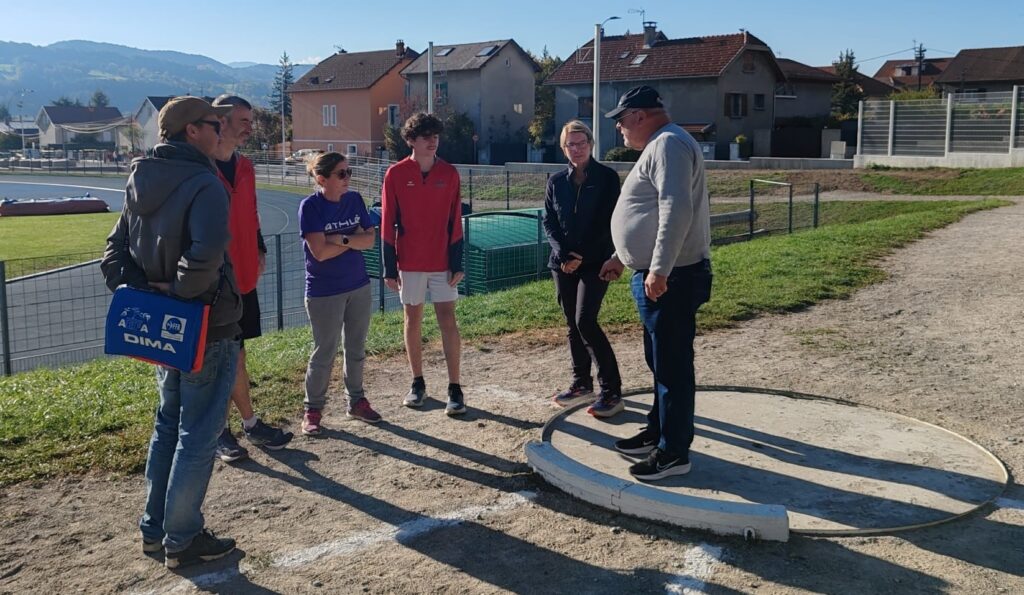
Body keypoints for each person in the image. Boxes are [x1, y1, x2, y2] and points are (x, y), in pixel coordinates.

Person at [100, 96, 241, 568]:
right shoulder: (205, 182)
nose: (221, 130)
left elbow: (113, 254)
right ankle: (181, 538)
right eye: (214, 124)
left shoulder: (140, 177)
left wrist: (147, 295)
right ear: (190, 131)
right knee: (198, 434)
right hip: (207, 323)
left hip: (163, 322)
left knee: (168, 426)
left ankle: (155, 531)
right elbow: (207, 253)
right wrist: (180, 293)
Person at [598, 86, 713, 481]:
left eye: (621, 120)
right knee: (661, 363)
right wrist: (622, 256)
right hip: (661, 274)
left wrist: (660, 269)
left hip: (673, 278)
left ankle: (673, 452)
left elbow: (675, 207)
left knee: (672, 368)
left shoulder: (668, 144)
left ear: (639, 115)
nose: (619, 128)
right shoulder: (664, 144)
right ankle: (658, 431)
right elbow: (648, 211)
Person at [210, 94, 293, 461]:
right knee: (220, 359)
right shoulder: (200, 166)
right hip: (212, 281)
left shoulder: (245, 167)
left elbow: (252, 213)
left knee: (238, 355)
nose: (250, 127)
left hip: (243, 278)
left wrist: (259, 249)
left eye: (250, 120)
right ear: (221, 121)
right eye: (242, 120)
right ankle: (219, 432)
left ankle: (249, 424)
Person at [381, 112, 466, 416]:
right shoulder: (395, 174)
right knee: (412, 320)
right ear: (410, 140)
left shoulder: (450, 173)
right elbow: (387, 221)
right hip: (410, 262)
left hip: (442, 262)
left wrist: (457, 263)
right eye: (425, 136)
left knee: (448, 320)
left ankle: (455, 387)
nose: (432, 141)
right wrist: (389, 268)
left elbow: (456, 221)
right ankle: (417, 383)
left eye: (435, 136)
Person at [543, 120, 623, 417]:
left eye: (581, 143)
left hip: (596, 262)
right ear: (563, 148)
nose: (576, 149)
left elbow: (608, 222)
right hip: (562, 263)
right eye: (570, 145)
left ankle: (611, 391)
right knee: (572, 324)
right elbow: (549, 221)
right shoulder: (555, 181)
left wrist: (582, 255)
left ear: (591, 144)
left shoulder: (607, 178)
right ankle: (581, 383)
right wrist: (564, 254)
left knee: (585, 321)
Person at [299, 152, 381, 435]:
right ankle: (312, 410)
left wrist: (341, 239)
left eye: (349, 172)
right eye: (341, 174)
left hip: (358, 285)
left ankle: (356, 401)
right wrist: (353, 240)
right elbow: (320, 253)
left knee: (356, 348)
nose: (348, 178)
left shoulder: (354, 200)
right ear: (322, 179)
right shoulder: (310, 207)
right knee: (325, 351)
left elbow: (370, 240)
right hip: (324, 292)